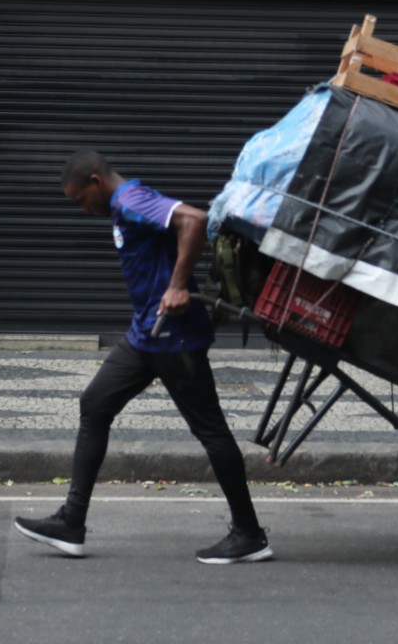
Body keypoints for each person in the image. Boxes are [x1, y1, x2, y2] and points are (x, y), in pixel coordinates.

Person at [14, 150, 273, 565]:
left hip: (174, 339)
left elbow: (195, 220)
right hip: (144, 335)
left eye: (81, 199)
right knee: (94, 405)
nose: (83, 210)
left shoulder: (131, 200)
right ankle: (71, 522)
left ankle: (249, 534)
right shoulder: (122, 207)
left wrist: (177, 285)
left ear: (96, 182)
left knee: (211, 431)